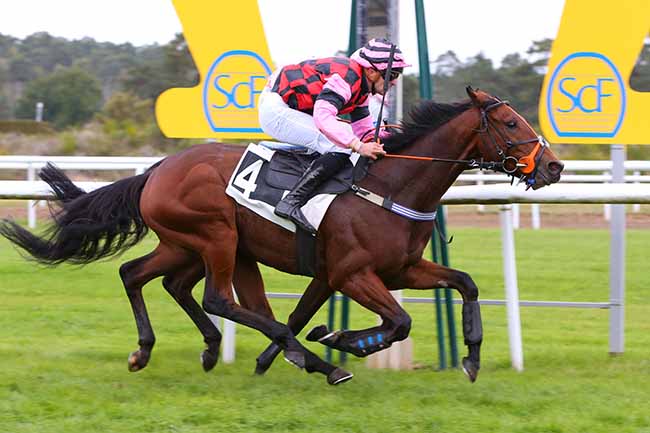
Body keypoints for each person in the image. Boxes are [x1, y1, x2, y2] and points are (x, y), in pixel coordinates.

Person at [258, 37, 411, 234]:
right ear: (372, 72)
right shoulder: (346, 78)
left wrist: (397, 139)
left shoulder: (362, 88)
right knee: (339, 144)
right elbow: (323, 117)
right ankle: (291, 202)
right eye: (393, 74)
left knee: (345, 139)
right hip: (276, 110)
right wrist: (358, 146)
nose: (395, 81)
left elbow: (364, 130)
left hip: (292, 107)